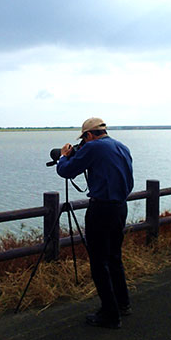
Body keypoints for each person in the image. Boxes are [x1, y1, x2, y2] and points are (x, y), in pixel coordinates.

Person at [56, 117, 134, 328]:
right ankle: (122, 303)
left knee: (99, 263)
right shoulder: (121, 147)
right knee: (114, 257)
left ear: (89, 135)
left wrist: (64, 157)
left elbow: (66, 171)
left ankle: (110, 314)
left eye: (84, 138)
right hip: (120, 207)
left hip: (101, 209)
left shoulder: (94, 148)